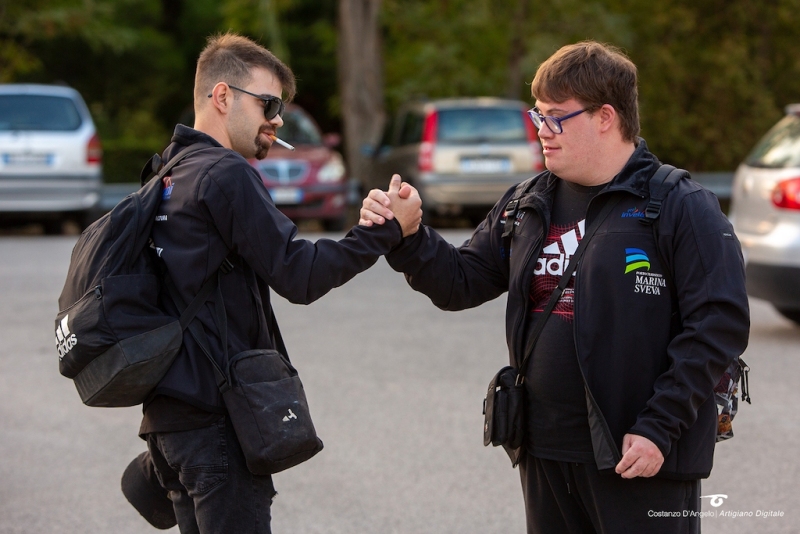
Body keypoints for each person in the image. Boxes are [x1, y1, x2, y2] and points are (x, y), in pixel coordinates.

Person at [360, 41, 749, 533]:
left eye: (556, 118)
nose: (541, 131)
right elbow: (459, 283)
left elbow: (718, 326)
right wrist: (410, 235)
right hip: (543, 450)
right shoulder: (526, 202)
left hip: (638, 451)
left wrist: (658, 428)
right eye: (537, 115)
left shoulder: (678, 205)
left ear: (606, 116)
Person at [120, 32, 422, 533]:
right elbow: (299, 275)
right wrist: (389, 230)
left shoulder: (167, 171)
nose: (277, 119)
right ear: (222, 97)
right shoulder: (224, 174)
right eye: (268, 104)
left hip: (170, 425)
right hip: (216, 421)